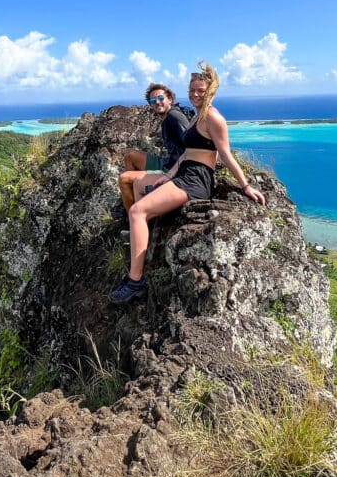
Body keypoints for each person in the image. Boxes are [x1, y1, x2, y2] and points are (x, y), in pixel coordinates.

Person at [110, 63, 267, 304]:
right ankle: (143, 242)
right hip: (183, 172)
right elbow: (185, 153)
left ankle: (135, 281)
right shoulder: (197, 117)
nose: (195, 94)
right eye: (192, 89)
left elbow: (225, 154)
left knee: (137, 211)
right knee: (139, 190)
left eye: (200, 90)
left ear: (211, 90)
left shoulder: (213, 117)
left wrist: (245, 186)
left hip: (195, 180)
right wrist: (169, 174)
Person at [118, 83, 191, 210]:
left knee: (124, 178)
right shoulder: (168, 117)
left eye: (161, 98)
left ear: (170, 99)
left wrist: (175, 173)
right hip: (167, 162)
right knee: (130, 155)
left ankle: (132, 217)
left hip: (173, 169)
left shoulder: (174, 116)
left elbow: (191, 146)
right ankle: (138, 196)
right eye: (153, 100)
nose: (157, 102)